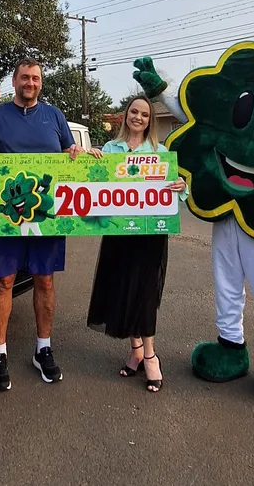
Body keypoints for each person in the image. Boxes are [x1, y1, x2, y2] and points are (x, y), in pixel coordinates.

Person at [0, 57, 99, 391]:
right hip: (8, 213)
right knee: (3, 282)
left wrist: (74, 153)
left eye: (35, 78)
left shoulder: (54, 115)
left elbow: (66, 153)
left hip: (47, 214)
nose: (30, 83)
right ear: (14, 81)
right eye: (24, 78)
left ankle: (42, 348)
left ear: (40, 83)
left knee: (44, 281)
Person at [86, 95, 186, 392]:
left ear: (150, 120)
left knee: (144, 292)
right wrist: (88, 163)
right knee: (123, 288)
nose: (138, 117)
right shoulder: (108, 149)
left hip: (149, 235)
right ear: (126, 114)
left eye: (144, 114)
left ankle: (150, 354)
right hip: (119, 232)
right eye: (134, 112)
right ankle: (136, 350)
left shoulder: (161, 152)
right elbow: (95, 183)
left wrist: (182, 186)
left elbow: (175, 192)